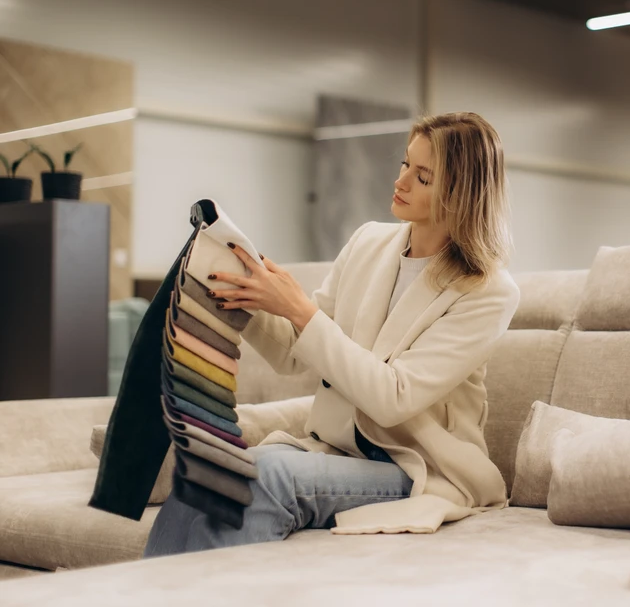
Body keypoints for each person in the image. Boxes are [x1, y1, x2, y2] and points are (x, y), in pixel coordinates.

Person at [143, 112, 521, 557]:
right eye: (405, 165)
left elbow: (392, 397)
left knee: (269, 474)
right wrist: (249, 293)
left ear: (461, 194)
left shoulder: (488, 291)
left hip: (414, 466)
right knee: (212, 468)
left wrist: (299, 310)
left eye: (423, 177)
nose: (401, 182)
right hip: (338, 448)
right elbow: (295, 356)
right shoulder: (368, 243)